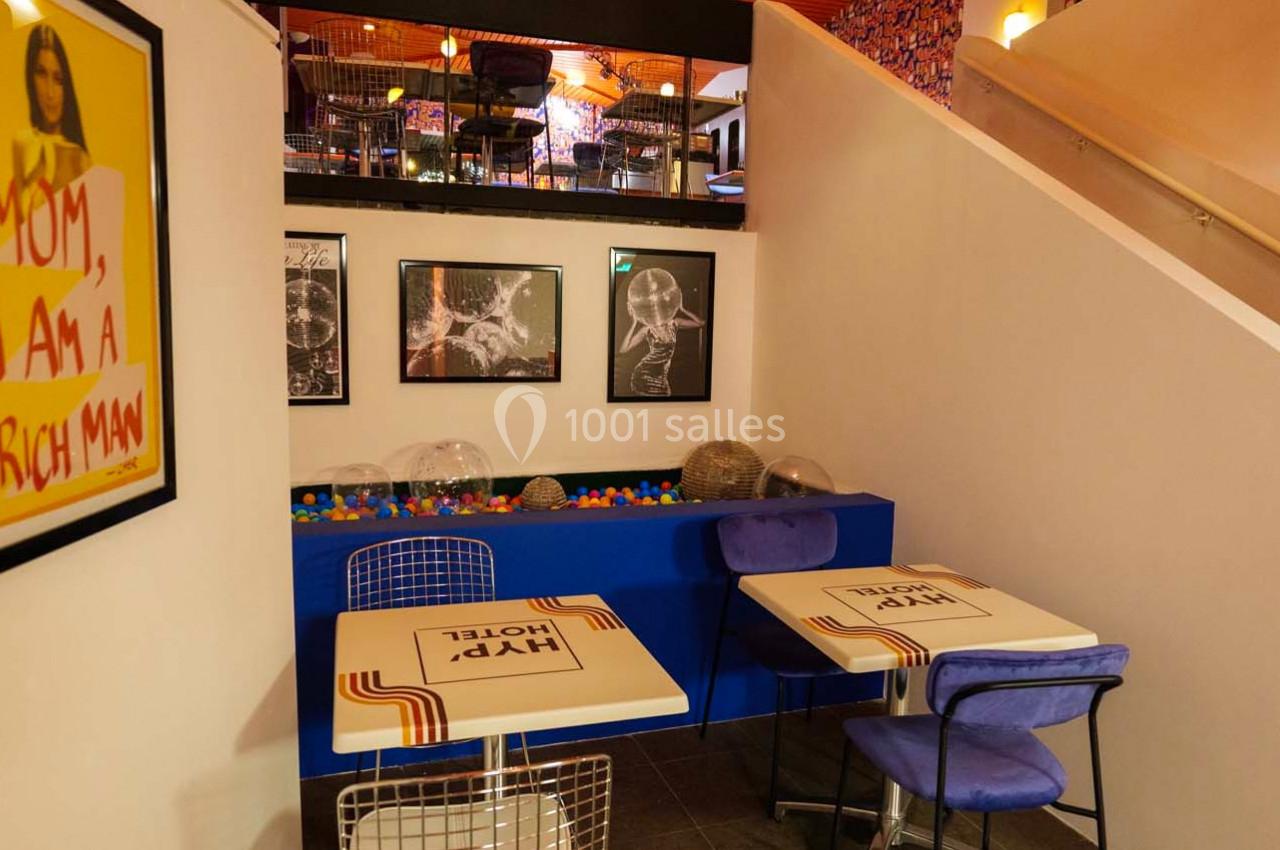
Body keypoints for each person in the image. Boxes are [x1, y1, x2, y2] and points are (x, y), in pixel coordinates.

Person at [12, 24, 92, 221]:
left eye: (59, 79)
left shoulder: (80, 160)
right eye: (41, 73)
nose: (50, 92)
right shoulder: (21, 144)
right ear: (30, 77)